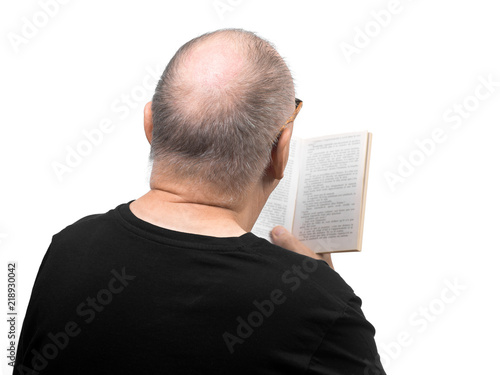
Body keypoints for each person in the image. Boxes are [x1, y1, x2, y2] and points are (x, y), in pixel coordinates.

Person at [14, 29, 386, 375]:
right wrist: (325, 296)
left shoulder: (68, 248)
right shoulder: (317, 304)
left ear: (150, 125)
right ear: (280, 152)